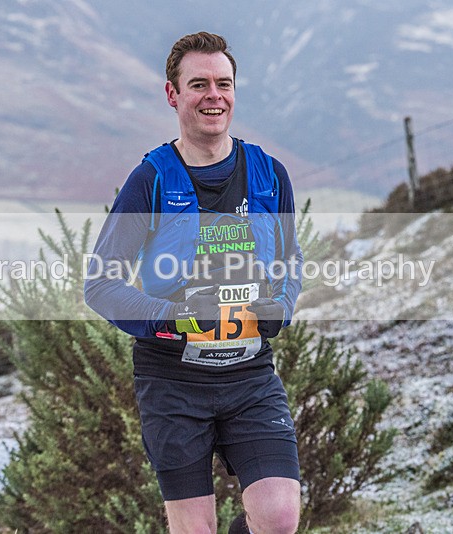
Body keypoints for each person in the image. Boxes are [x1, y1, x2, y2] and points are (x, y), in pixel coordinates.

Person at [84, 32, 303, 534]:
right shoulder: (151, 180)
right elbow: (100, 283)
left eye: (223, 84)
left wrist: (282, 307)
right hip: (172, 384)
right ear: (173, 94)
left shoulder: (270, 175)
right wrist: (174, 318)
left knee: (280, 519)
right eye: (199, 84)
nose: (214, 96)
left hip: (250, 377)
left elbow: (290, 259)